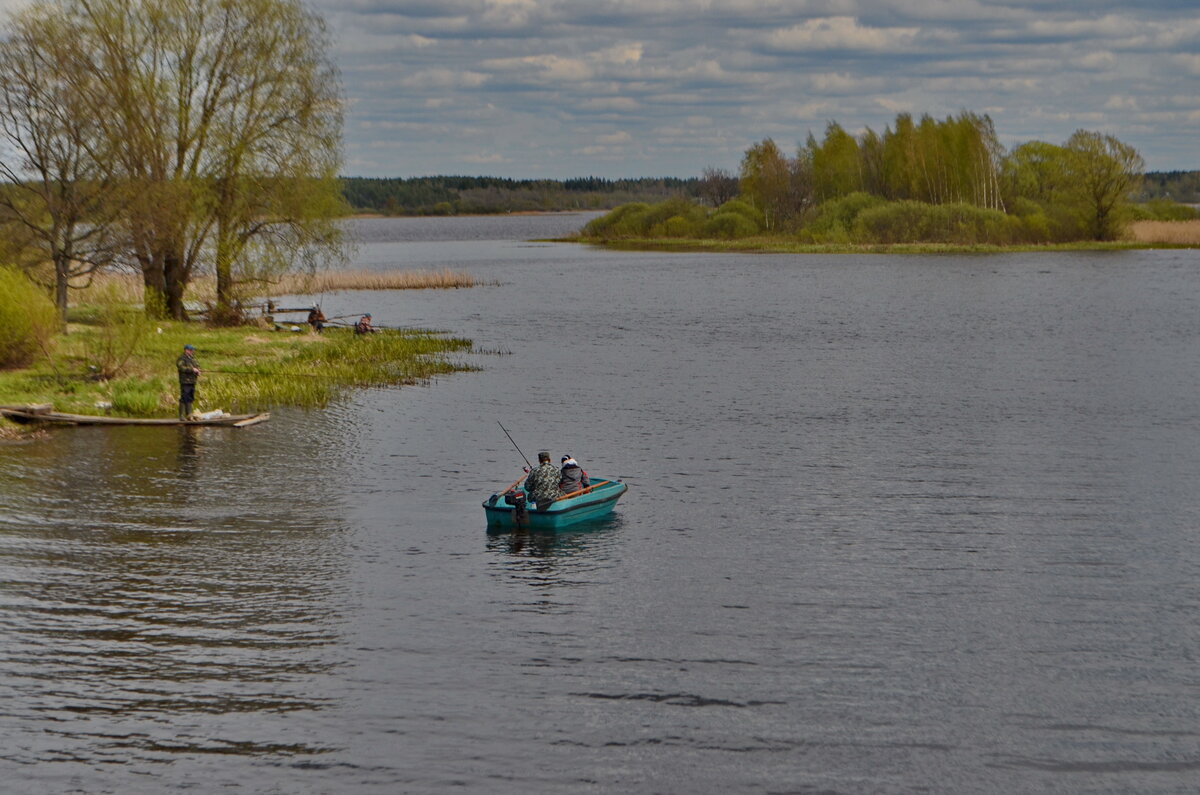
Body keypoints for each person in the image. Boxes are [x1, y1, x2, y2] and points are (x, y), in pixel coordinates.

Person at [176, 343, 200, 420]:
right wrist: (192, 369)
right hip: (185, 381)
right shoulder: (181, 358)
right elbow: (181, 368)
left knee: (190, 397)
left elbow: (196, 366)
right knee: (184, 397)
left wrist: (198, 371)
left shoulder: (192, 358)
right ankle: (182, 416)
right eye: (190, 350)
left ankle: (189, 415)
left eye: (192, 350)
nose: (192, 351)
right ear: (186, 350)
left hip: (192, 381)